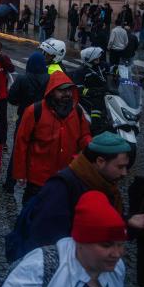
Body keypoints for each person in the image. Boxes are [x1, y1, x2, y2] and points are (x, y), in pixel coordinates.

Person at [16, 132, 144, 255]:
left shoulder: (105, 184)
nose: (124, 173)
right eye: (120, 166)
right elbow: (46, 240)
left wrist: (126, 222)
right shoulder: (61, 187)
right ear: (100, 161)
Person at [0, 191, 128, 287]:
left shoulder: (118, 268)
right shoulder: (38, 268)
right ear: (80, 241)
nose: (117, 254)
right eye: (106, 245)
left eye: (121, 244)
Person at [13, 71, 92, 203]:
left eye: (69, 90)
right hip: (38, 179)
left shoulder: (77, 111)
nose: (66, 94)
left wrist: (92, 147)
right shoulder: (34, 111)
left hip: (67, 176)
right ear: (52, 91)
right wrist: (20, 173)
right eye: (62, 91)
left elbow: (84, 136)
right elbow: (22, 142)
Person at [4, 52, 49, 192]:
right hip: (44, 119)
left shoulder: (22, 79)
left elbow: (11, 98)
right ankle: (37, 182)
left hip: (24, 118)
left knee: (18, 149)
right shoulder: (50, 78)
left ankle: (10, 183)